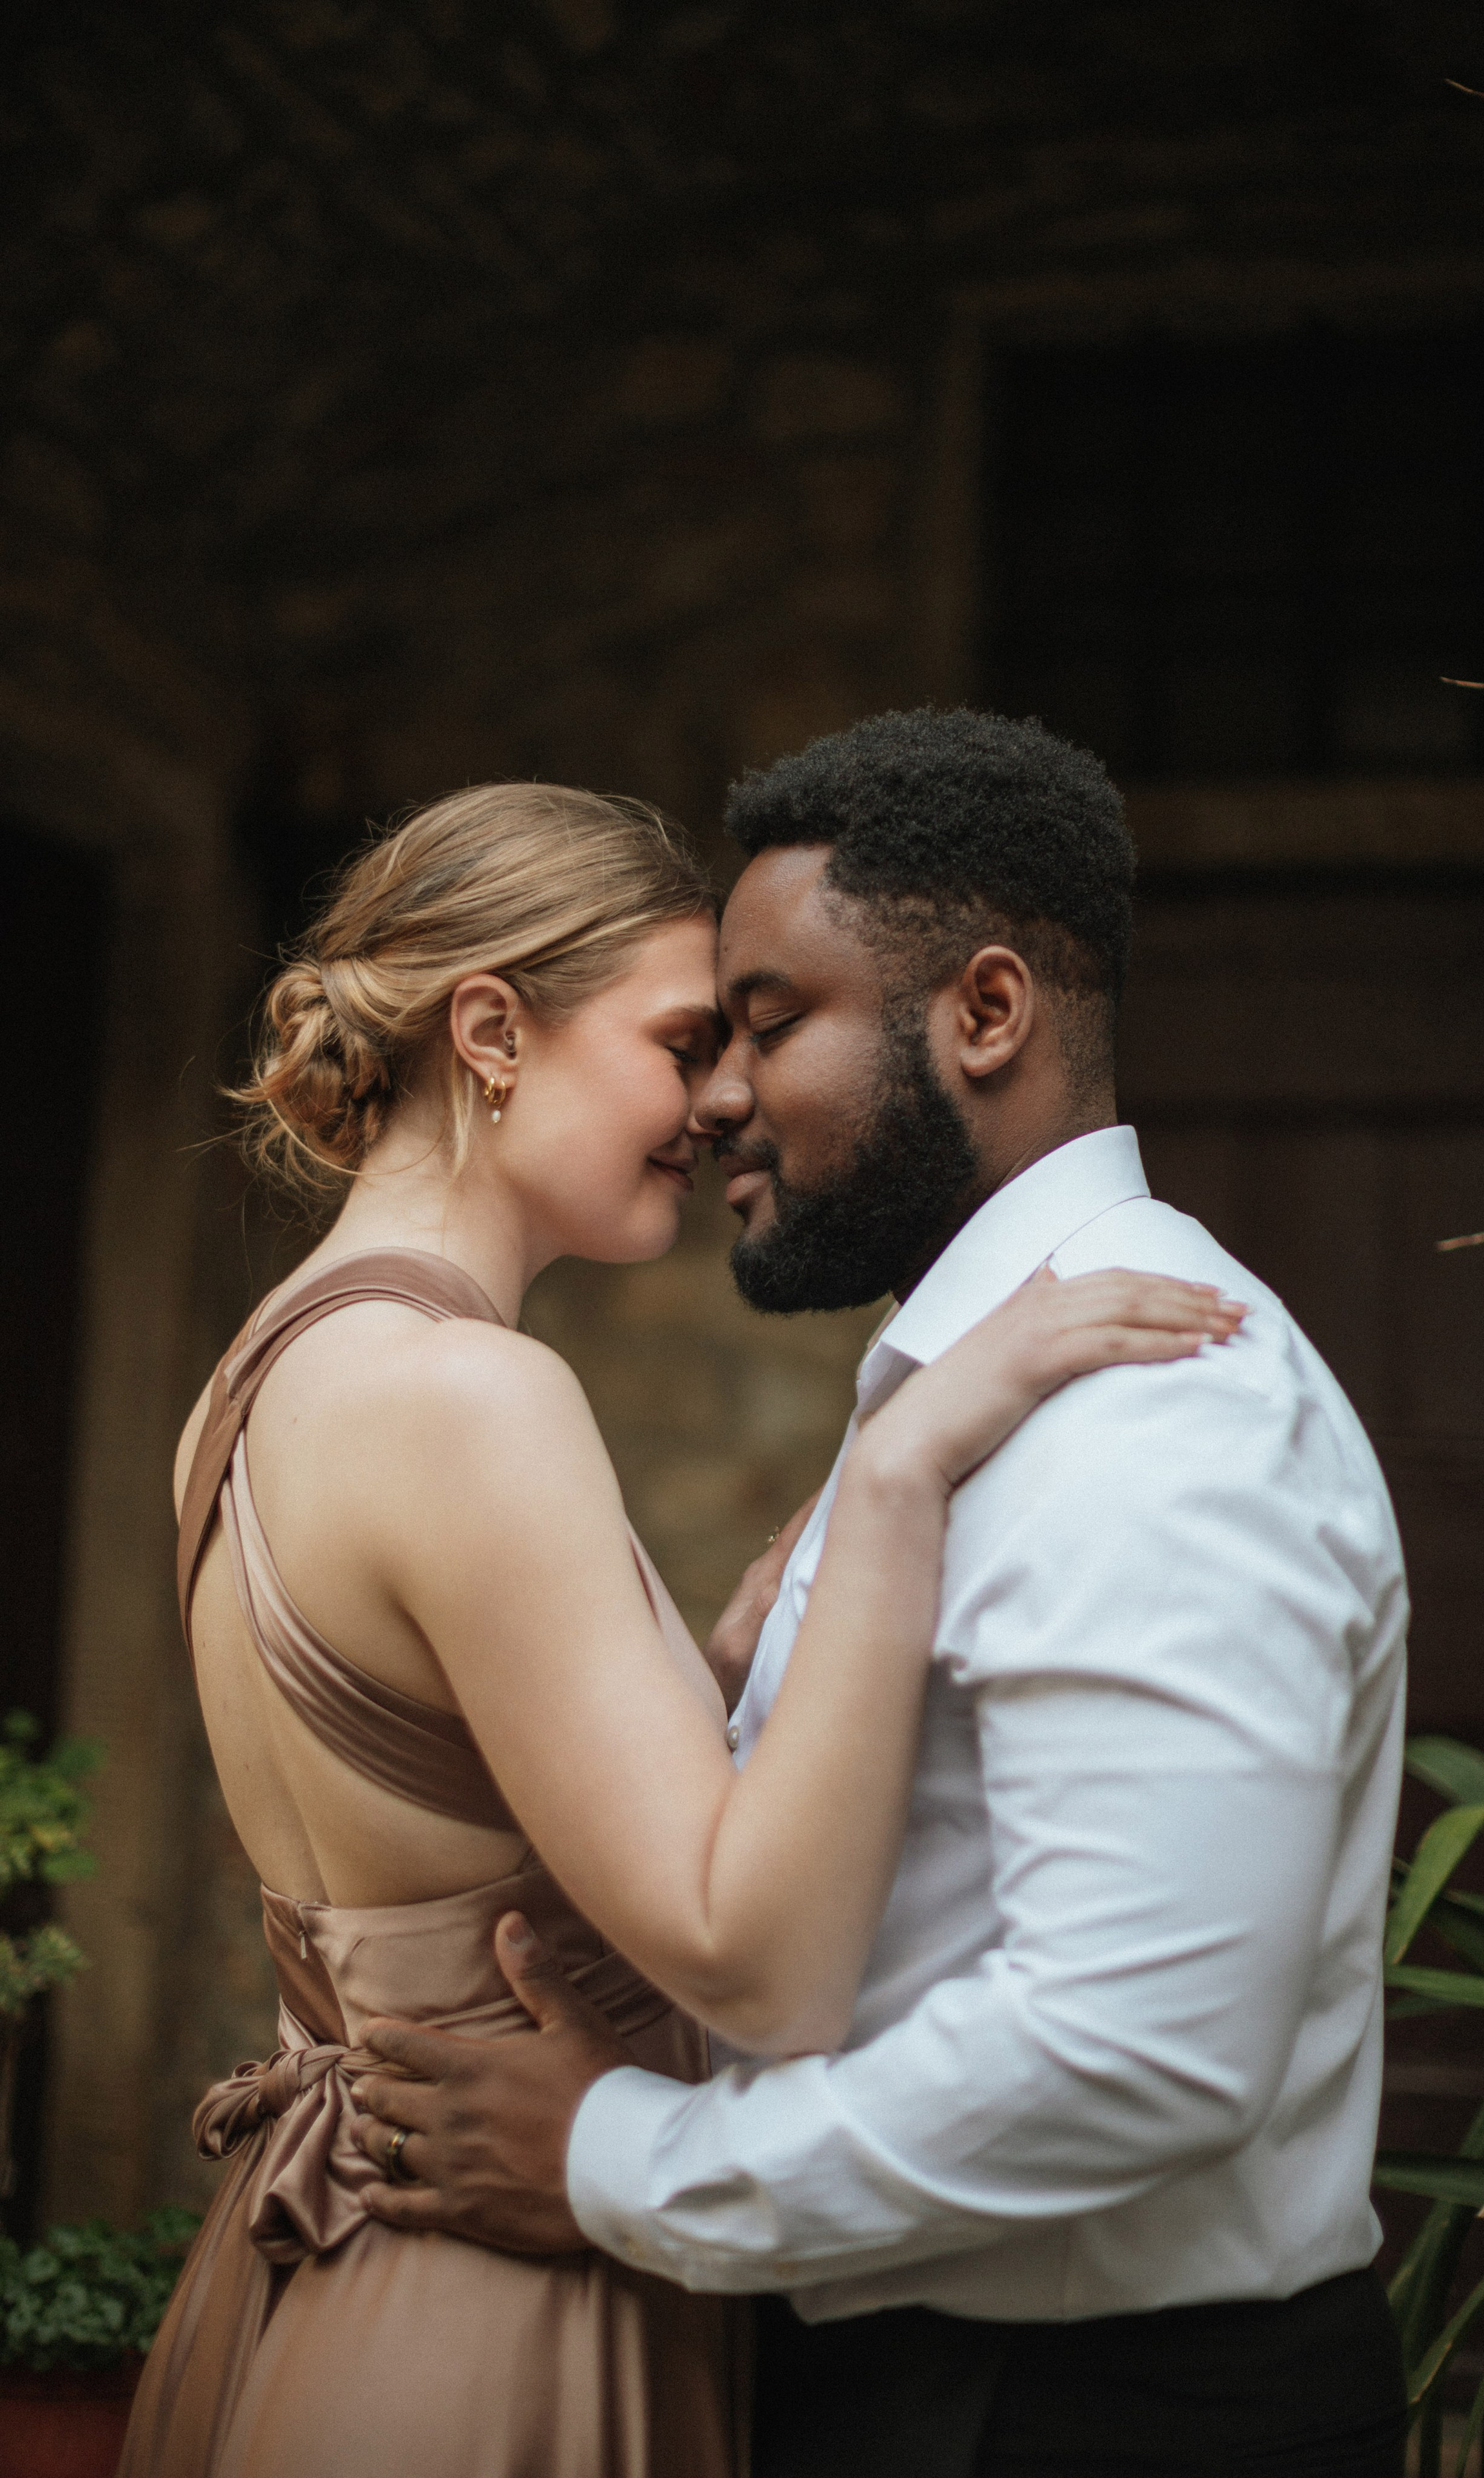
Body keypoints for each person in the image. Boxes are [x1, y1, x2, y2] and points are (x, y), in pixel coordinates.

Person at [120, 776, 1238, 2478]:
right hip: (485, 2314)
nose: (725, 1102)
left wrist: (694, 1683)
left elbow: (430, 1828)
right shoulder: (471, 1395)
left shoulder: (259, 1374)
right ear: (492, 1031)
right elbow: (762, 1966)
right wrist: (902, 1472)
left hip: (313, 2278)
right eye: (679, 1042)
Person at [354, 710, 1413, 2478]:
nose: (712, 1094)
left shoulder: (1151, 1403)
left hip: (1099, 2422)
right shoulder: (973, 1384)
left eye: (771, 1025)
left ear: (983, 1014)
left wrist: (619, 2166)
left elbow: (1135, 2049)